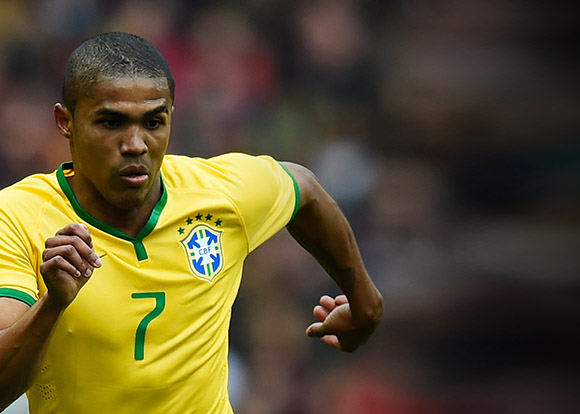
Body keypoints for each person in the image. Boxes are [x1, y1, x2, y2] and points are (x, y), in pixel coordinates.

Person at [0, 32, 383, 413]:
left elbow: (305, 190)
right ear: (65, 121)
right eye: (112, 122)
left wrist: (365, 303)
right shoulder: (17, 217)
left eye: (153, 122)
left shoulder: (219, 195)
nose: (136, 144)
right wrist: (53, 304)